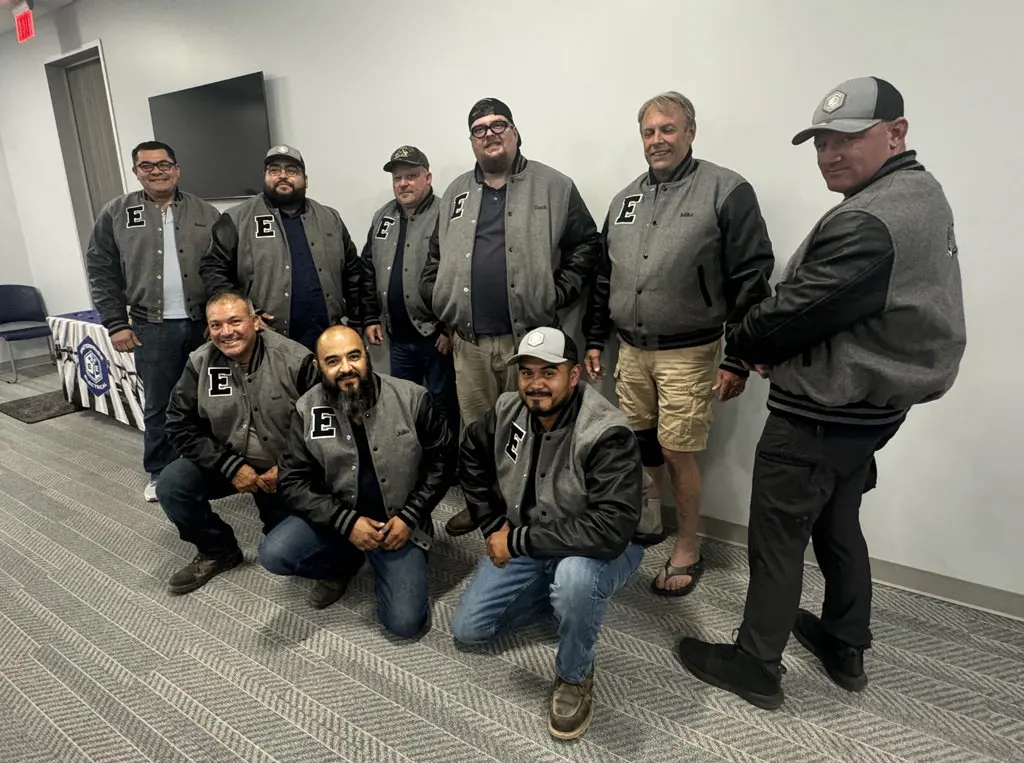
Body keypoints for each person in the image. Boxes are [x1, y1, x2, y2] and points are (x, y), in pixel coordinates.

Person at [677, 77, 966, 710]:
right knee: (838, 523)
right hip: (870, 409)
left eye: (848, 139)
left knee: (776, 536)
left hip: (821, 414)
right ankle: (845, 641)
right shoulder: (920, 193)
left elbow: (793, 316)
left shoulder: (871, 219)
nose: (830, 154)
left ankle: (756, 663)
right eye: (822, 143)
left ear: (896, 133)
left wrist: (746, 339)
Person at [583, 91, 776, 590]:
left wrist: (739, 357)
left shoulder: (725, 190)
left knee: (676, 451)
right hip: (631, 349)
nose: (657, 140)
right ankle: (648, 520)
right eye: (648, 132)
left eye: (667, 129)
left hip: (689, 353)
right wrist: (593, 339)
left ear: (690, 132)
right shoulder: (625, 199)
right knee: (639, 443)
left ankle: (688, 545)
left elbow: (751, 277)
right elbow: (605, 275)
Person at [420, 98, 602, 537]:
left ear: (515, 132)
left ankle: (535, 511)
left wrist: (557, 294)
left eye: (498, 124)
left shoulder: (554, 186)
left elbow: (587, 245)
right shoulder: (456, 193)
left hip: (530, 344)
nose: (489, 133)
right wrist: (438, 298)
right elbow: (434, 258)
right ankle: (487, 508)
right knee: (479, 432)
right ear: (472, 141)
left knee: (537, 428)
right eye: (479, 128)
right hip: (469, 345)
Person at [451, 327, 644, 741]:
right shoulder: (508, 410)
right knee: (469, 629)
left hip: (601, 546)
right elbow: (471, 453)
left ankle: (575, 675)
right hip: (533, 534)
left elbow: (611, 528)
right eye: (526, 372)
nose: (535, 383)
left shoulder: (606, 431)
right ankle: (565, 602)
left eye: (548, 372)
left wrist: (516, 542)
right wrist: (492, 524)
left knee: (575, 579)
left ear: (573, 376)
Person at [261, 326, 455, 634]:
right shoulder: (306, 409)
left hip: (399, 523)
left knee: (405, 624)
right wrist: (346, 523)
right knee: (274, 553)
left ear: (367, 355)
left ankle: (387, 562)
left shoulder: (412, 397)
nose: (346, 368)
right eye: (333, 361)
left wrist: (410, 515)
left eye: (354, 356)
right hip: (337, 516)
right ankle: (343, 562)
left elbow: (442, 464)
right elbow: (292, 480)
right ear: (318, 367)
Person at [85, 140, 221, 502]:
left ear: (177, 169)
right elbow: (101, 269)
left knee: (211, 399)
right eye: (147, 166)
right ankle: (160, 471)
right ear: (136, 172)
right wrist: (116, 321)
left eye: (164, 164)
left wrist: (221, 319)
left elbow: (227, 267)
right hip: (150, 327)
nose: (157, 171)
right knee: (161, 403)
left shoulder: (206, 213)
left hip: (203, 326)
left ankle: (210, 468)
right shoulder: (116, 213)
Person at [158, 290, 319, 594]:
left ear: (256, 321)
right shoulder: (200, 363)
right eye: (216, 325)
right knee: (172, 484)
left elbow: (323, 428)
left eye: (235, 321)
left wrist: (287, 468)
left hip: (287, 469)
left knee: (285, 546)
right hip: (229, 461)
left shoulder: (296, 360)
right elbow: (178, 424)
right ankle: (218, 551)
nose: (226, 332)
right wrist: (229, 466)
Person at [200, 145, 375, 350]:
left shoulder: (330, 218)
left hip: (326, 336)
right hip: (269, 338)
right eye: (274, 170)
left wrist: (356, 320)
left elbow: (353, 272)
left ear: (305, 180)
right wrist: (246, 312)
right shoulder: (237, 219)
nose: (282, 176)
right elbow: (213, 269)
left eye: (291, 171)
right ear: (265, 177)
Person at [360, 146, 459, 441]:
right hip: (398, 337)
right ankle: (415, 460)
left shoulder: (447, 214)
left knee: (442, 404)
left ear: (427, 178)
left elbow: (457, 273)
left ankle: (448, 467)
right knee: (404, 403)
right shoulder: (382, 218)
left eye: (411, 176)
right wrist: (369, 317)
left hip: (436, 337)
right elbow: (367, 268)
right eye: (397, 178)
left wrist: (448, 326)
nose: (403, 183)